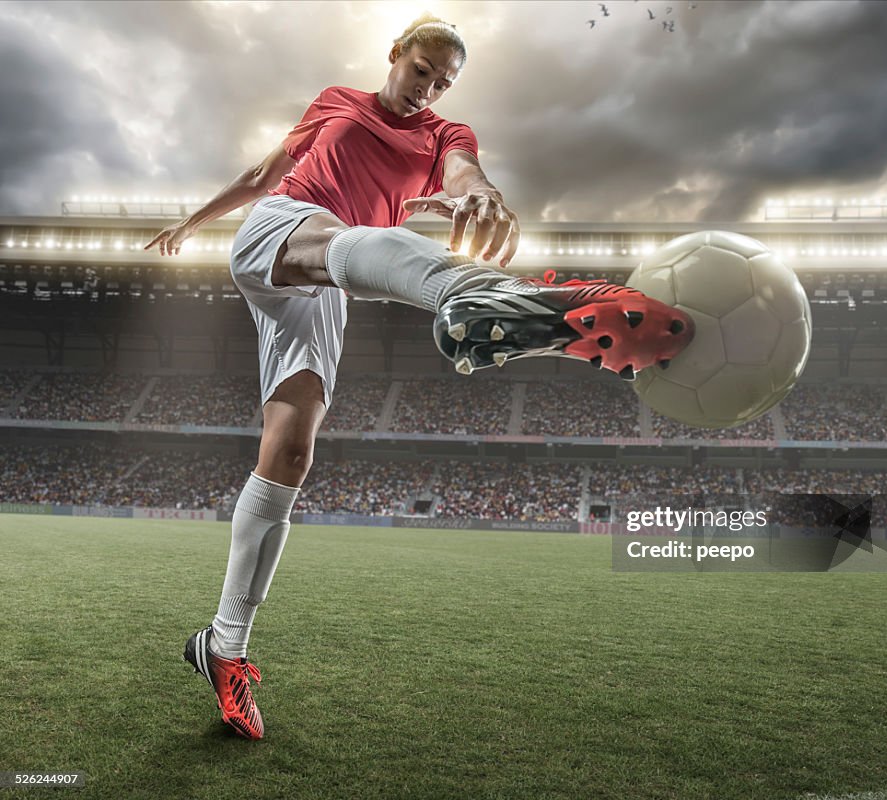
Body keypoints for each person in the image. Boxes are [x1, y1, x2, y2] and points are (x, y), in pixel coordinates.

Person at [146, 14, 693, 740]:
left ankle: (223, 648)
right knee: (362, 238)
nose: (428, 90)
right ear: (395, 55)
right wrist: (192, 221)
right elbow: (262, 176)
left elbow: (466, 170)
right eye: (421, 72)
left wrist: (476, 191)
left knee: (290, 453)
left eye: (442, 83)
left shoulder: (444, 136)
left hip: (329, 285)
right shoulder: (336, 100)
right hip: (284, 231)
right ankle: (474, 294)